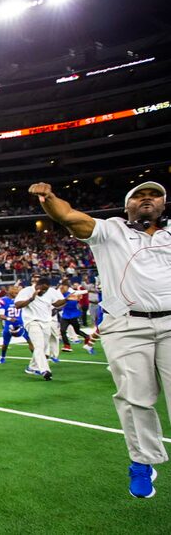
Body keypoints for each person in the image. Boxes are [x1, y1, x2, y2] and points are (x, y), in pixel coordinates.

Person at [30, 179, 171, 498]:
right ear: (127, 206)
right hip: (127, 325)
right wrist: (49, 198)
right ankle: (141, 461)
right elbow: (67, 216)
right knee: (135, 396)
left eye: (154, 195)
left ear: (163, 204)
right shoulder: (110, 230)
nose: (147, 199)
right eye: (139, 196)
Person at [14, 278, 66, 381]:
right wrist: (30, 299)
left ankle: (32, 367)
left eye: (46, 290)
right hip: (32, 322)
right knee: (39, 346)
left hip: (46, 322)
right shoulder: (26, 291)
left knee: (43, 347)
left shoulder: (50, 292)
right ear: (37, 285)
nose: (44, 291)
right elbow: (17, 305)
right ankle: (45, 370)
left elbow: (56, 304)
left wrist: (67, 299)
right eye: (42, 289)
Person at [0, 285, 33, 364]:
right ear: (7, 291)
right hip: (9, 325)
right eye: (13, 289)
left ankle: (36, 358)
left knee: (30, 341)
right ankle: (2, 356)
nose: (15, 290)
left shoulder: (21, 299)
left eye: (16, 289)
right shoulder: (3, 300)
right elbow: (1, 315)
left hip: (22, 324)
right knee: (5, 344)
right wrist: (9, 319)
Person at [57, 284, 93, 353]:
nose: (61, 289)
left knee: (77, 331)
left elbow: (73, 302)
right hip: (65, 316)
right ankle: (67, 346)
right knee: (62, 331)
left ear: (67, 288)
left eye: (63, 287)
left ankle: (87, 337)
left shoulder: (72, 295)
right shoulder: (60, 295)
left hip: (73, 316)